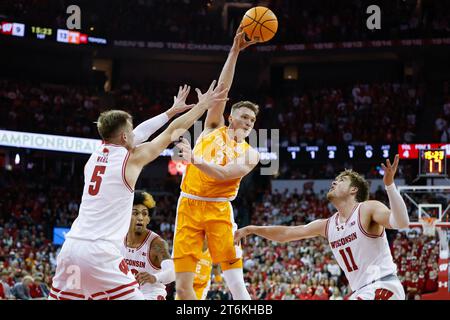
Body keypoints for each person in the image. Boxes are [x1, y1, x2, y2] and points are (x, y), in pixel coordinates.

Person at [49, 81, 229, 300]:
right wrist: (202, 106)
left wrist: (170, 112)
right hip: (100, 253)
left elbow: (138, 133)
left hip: (71, 248)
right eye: (129, 131)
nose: (135, 134)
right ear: (124, 137)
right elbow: (171, 133)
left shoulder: (96, 154)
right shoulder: (130, 159)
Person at [235, 155, 409, 300]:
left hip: (383, 285)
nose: (334, 182)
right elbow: (286, 233)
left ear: (353, 190)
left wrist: (390, 186)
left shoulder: (367, 209)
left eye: (341, 180)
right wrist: (251, 229)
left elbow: (401, 223)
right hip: (362, 291)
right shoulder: (327, 225)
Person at [174, 28, 259, 300]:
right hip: (188, 204)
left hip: (219, 210)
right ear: (230, 116)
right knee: (182, 286)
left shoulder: (250, 154)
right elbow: (222, 90)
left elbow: (223, 174)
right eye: (244, 117)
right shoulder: (212, 126)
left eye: (252, 121)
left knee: (237, 284)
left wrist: (193, 159)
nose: (248, 123)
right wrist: (234, 52)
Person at [121, 190, 174, 300]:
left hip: (151, 295)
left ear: (148, 219)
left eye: (144, 214)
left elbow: (172, 273)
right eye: (135, 213)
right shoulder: (118, 238)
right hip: (127, 294)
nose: (140, 217)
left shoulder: (157, 243)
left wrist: (154, 277)